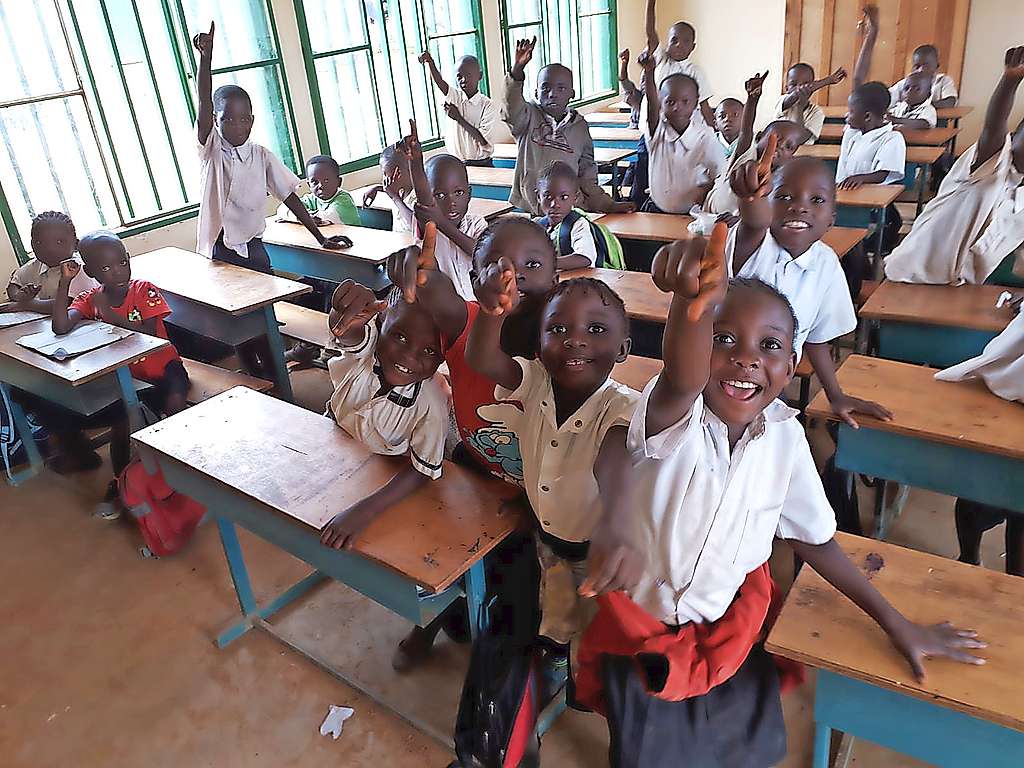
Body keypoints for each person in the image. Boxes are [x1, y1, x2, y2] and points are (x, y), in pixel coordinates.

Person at [575, 226, 986, 767]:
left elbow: (816, 540)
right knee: (646, 755)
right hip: (645, 637)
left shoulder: (786, 439)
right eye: (724, 339)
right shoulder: (677, 417)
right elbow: (680, 377)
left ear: (792, 364)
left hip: (731, 631)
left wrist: (896, 622)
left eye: (769, 346)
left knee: (742, 752)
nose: (746, 359)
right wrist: (691, 306)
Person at [382, 216, 559, 670]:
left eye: (531, 265)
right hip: (476, 467)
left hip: (542, 491)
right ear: (473, 277)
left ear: (556, 279)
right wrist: (417, 272)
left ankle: (524, 666)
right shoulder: (466, 320)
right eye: (495, 266)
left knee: (524, 582)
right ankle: (435, 621)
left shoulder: (564, 343)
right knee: (441, 549)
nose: (511, 276)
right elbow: (437, 292)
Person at [466, 264, 641, 673]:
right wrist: (490, 314)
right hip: (548, 538)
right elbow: (480, 357)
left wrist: (618, 521)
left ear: (623, 349)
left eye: (596, 331)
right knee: (558, 605)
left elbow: (614, 460)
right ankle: (558, 651)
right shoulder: (535, 382)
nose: (575, 340)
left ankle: (589, 670)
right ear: (539, 342)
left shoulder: (623, 407)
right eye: (558, 330)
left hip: (599, 552)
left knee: (599, 629)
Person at [729, 134, 892, 428]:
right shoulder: (753, 244)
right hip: (719, 378)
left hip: (765, 388)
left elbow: (817, 337)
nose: (799, 207)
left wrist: (835, 394)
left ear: (831, 217)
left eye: (816, 200)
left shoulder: (826, 264)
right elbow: (753, 221)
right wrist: (750, 196)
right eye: (784, 197)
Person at [318, 248, 448, 550]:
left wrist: (365, 511)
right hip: (334, 441)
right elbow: (349, 334)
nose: (408, 357)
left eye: (429, 352)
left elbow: (422, 471)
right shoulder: (369, 350)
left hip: (387, 473)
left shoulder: (430, 404)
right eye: (399, 337)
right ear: (380, 324)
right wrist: (344, 312)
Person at [51, 231, 189, 516]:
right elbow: (61, 326)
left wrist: (110, 315)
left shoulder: (144, 290)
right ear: (89, 272)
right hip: (130, 378)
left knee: (175, 407)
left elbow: (149, 336)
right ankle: (122, 481)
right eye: (105, 268)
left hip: (164, 369)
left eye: (122, 263)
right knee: (123, 423)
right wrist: (64, 281)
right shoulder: (91, 298)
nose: (117, 272)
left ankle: (182, 467)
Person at [193, 22, 349, 269]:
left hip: (254, 243)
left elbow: (289, 197)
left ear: (252, 121)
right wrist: (206, 60)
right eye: (228, 120)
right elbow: (203, 102)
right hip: (219, 247)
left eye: (244, 119)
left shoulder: (261, 155)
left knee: (266, 293)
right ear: (215, 121)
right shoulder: (211, 149)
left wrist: (321, 238)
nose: (237, 126)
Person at [886, 47, 1024, 286]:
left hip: (964, 288)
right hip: (913, 275)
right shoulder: (993, 163)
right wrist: (1010, 81)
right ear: (1013, 137)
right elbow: (993, 125)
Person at [503, 36, 634, 217]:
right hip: (530, 207)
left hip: (566, 210)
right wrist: (517, 70)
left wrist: (608, 204)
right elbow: (510, 108)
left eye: (561, 88)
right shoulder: (527, 117)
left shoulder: (580, 128)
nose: (552, 94)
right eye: (545, 88)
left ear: (572, 93)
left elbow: (587, 177)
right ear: (536, 92)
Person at [400, 119, 487, 301]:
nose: (451, 202)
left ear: (469, 194)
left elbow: (480, 253)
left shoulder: (477, 224)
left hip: (477, 309)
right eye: (439, 195)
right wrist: (416, 162)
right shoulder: (430, 227)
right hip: (442, 313)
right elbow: (424, 197)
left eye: (458, 193)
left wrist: (442, 222)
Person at [640, 50, 727, 215]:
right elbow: (651, 102)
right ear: (661, 103)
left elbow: (722, 172)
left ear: (695, 103)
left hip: (694, 214)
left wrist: (708, 189)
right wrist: (649, 72)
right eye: (670, 101)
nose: (677, 107)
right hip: (657, 211)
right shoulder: (657, 132)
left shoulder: (704, 136)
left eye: (685, 101)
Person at [836, 6, 907, 191]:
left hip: (872, 199)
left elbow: (884, 173)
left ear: (867, 116)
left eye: (851, 113)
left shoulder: (892, 138)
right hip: (845, 192)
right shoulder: (855, 131)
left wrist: (861, 178)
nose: (847, 117)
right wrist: (872, 33)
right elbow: (858, 78)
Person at [702, 72, 768, 223]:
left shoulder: (746, 145)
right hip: (710, 208)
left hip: (736, 210)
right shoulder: (708, 143)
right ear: (715, 122)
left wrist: (752, 100)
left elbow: (746, 132)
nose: (728, 120)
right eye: (722, 116)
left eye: (735, 115)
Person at [4, 211, 97, 315]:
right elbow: (13, 284)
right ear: (32, 245)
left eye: (59, 242)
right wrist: (19, 296)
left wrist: (26, 305)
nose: (49, 249)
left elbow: (69, 304)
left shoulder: (80, 268)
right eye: (40, 242)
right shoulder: (37, 265)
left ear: (76, 244)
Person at [419, 51, 497, 166]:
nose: (464, 80)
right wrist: (430, 62)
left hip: (481, 163)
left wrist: (458, 118)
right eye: (459, 76)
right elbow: (440, 83)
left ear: (479, 76)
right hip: (457, 164)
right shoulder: (455, 97)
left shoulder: (487, 105)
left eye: (469, 75)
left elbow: (483, 140)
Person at [645, 0, 715, 127]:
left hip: (684, 128)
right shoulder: (661, 58)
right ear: (668, 43)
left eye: (686, 41)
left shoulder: (695, 72)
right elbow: (650, 32)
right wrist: (651, 3)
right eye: (674, 40)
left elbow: (705, 106)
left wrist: (714, 132)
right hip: (656, 125)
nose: (679, 45)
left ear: (693, 47)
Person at [535, 161, 600, 271]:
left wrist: (547, 263)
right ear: (538, 197)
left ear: (575, 197)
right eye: (548, 197)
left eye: (564, 197)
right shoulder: (537, 225)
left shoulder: (578, 224)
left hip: (576, 284)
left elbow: (585, 258)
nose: (555, 204)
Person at [275, 154, 360, 227]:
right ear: (309, 185)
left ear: (339, 182)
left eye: (326, 180)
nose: (321, 185)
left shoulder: (344, 200)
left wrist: (299, 217)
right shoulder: (311, 199)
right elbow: (283, 208)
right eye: (315, 182)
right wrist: (301, 217)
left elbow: (323, 218)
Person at [775, 63, 847, 142]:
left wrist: (800, 107)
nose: (799, 88)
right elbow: (795, 95)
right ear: (786, 89)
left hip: (804, 153)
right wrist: (827, 81)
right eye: (793, 84)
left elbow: (799, 140)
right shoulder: (782, 101)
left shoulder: (816, 112)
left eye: (805, 84)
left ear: (812, 90)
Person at [362, 144, 418, 234]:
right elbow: (392, 190)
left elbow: (417, 227)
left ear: (399, 173)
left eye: (386, 174)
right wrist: (378, 188)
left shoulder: (420, 195)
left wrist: (395, 198)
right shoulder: (399, 190)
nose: (384, 179)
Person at [891, 44, 958, 110]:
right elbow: (889, 98)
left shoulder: (943, 81)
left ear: (937, 66)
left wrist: (922, 106)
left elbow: (950, 101)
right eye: (917, 66)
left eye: (926, 66)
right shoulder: (905, 83)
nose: (920, 70)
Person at [618, 48, 644, 130]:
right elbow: (623, 80)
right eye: (643, 80)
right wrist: (624, 63)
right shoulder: (637, 94)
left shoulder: (660, 98)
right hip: (633, 129)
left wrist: (637, 106)